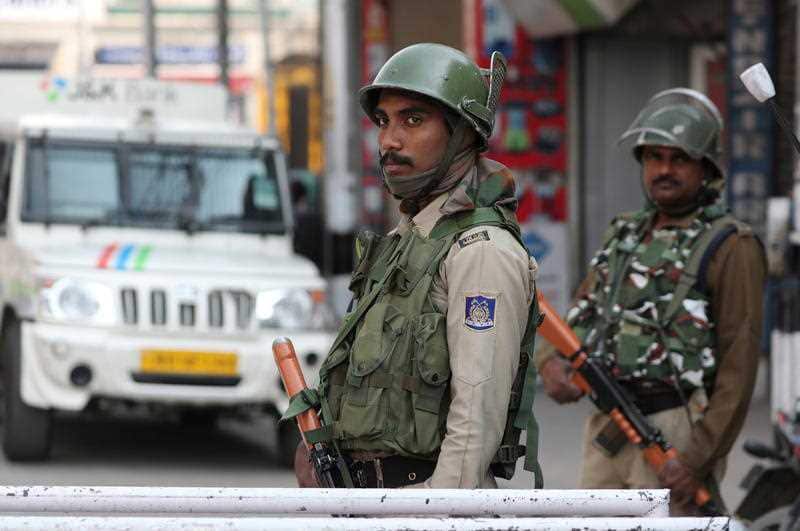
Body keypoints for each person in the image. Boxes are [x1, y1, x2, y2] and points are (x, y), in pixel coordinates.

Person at [292, 43, 543, 489]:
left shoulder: (480, 250)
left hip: (422, 503)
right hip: (369, 501)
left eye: (413, 119)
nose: (389, 140)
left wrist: (431, 514)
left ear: (463, 133)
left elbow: (476, 421)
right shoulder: (407, 240)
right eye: (383, 121)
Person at [536, 88, 766, 515]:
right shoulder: (625, 233)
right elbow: (578, 314)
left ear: (706, 167)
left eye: (679, 158)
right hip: (608, 423)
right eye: (654, 157)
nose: (664, 169)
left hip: (675, 427)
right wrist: (550, 361)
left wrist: (696, 458)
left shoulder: (731, 245)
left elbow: (739, 366)